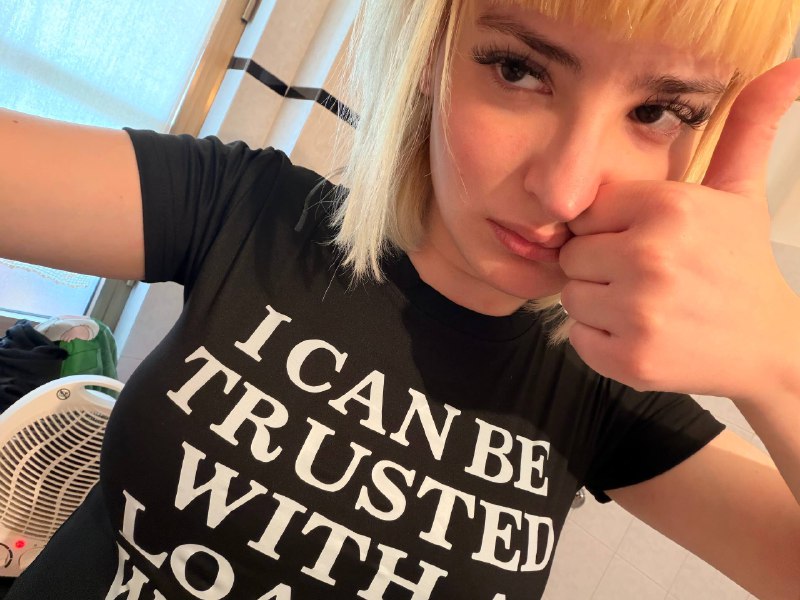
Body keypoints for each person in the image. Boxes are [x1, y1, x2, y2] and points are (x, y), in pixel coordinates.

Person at [1, 0, 799, 598]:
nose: (564, 189)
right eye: (517, 69)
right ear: (430, 51)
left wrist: (780, 367)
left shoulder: (605, 391)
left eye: (658, 112)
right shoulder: (245, 211)